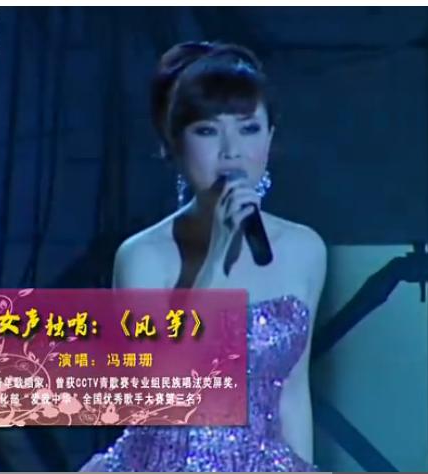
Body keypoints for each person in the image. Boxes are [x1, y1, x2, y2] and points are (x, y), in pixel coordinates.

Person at [79, 40, 327, 472]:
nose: (231, 151)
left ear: (270, 137)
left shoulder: (305, 250)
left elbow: (292, 391)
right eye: (208, 131)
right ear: (175, 144)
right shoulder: (143, 258)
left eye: (248, 128)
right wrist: (216, 259)